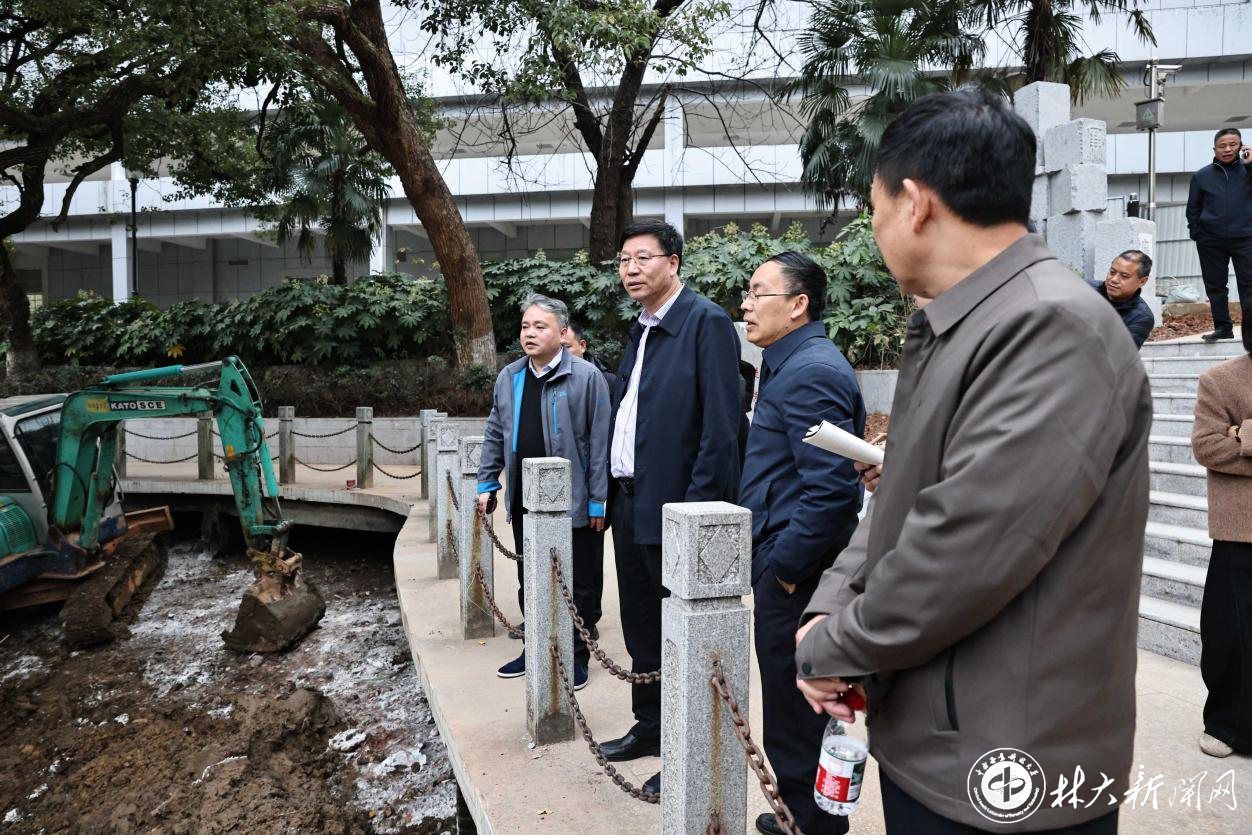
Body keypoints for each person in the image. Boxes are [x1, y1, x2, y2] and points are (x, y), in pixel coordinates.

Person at [793, 88, 1151, 833]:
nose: (875, 229)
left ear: (916, 203)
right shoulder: (963, 321)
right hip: (941, 734)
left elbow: (969, 543)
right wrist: (831, 604)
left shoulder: (1050, 325)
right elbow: (903, 496)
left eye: (875, 208)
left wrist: (835, 644)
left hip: (1009, 756)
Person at [599, 220, 741, 796]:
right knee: (640, 624)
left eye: (643, 258)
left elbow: (721, 428)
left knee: (680, 632)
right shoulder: (640, 327)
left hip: (678, 509)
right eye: (623, 260)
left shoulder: (705, 322)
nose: (630, 269)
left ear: (674, 262)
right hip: (630, 500)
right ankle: (651, 726)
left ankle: (686, 746)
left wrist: (696, 510)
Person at [738, 251, 865, 835]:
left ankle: (811, 825)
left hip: (799, 575)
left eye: (758, 292)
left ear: (797, 304)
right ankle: (800, 815)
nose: (746, 304)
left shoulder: (811, 371)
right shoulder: (787, 363)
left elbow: (832, 492)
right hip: (788, 563)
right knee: (793, 710)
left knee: (798, 713)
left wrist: (783, 570)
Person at [476, 293, 611, 689]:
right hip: (525, 497)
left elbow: (599, 443)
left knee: (577, 582)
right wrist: (487, 481)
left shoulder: (586, 377)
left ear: (563, 332)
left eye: (540, 326)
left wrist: (598, 500)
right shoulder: (510, 376)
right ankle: (534, 646)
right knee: (530, 576)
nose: (530, 334)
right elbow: (496, 431)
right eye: (525, 326)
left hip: (574, 499)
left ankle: (576, 654)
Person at [1189, 310, 1252, 760]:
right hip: (1240, 530)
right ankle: (1227, 724)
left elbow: (1229, 442)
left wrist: (1241, 434)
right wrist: (1236, 437)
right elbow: (1208, 446)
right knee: (1229, 635)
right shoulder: (1221, 380)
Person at [561, 319, 617, 640]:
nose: (562, 352)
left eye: (567, 346)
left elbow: (603, 440)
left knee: (588, 557)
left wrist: (599, 493)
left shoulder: (602, 380)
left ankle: (588, 618)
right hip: (560, 483)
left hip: (594, 481)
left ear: (582, 346)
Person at [1186, 128, 1252, 342]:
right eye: (1222, 146)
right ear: (1214, 149)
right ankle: (1223, 328)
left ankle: (1250, 332)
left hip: (1246, 237)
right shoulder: (1201, 176)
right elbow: (1193, 208)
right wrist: (1197, 233)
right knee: (1215, 286)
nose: (1227, 149)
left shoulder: (1248, 170)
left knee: (1249, 285)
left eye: (1233, 144)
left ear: (1241, 146)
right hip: (1210, 240)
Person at [1090, 249, 1156, 348]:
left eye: (1124, 276)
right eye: (1112, 272)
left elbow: (1119, 353)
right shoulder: (1086, 288)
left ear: (1142, 281)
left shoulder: (1141, 317)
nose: (1114, 279)